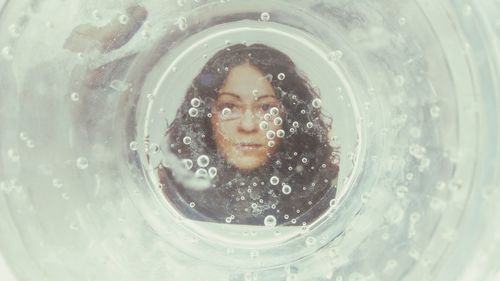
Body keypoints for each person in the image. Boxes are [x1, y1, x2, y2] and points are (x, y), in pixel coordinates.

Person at [158, 43, 339, 226]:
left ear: (289, 115)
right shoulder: (165, 194)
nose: (248, 125)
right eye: (229, 107)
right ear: (206, 116)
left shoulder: (330, 195)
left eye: (266, 107)